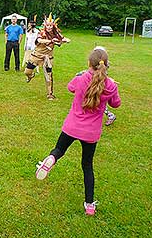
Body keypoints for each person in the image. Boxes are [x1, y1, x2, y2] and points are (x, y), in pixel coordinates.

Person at [35, 48, 121, 216]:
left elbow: (70, 87)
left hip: (72, 127)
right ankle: (89, 205)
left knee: (59, 150)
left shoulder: (81, 78)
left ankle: (51, 159)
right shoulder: (110, 85)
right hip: (91, 133)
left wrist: (81, 75)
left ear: (89, 63)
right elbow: (116, 104)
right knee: (87, 166)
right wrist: (112, 86)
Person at [24, 14, 70, 100]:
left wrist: (65, 40)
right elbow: (39, 40)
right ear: (45, 26)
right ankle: (30, 76)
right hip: (36, 56)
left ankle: (50, 94)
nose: (49, 27)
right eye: (47, 26)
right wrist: (51, 41)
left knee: (48, 76)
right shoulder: (41, 32)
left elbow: (63, 39)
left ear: (53, 26)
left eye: (50, 26)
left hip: (48, 58)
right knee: (27, 72)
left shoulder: (56, 34)